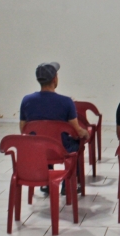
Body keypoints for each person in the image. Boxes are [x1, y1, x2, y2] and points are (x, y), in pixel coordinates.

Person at [19, 62, 89, 195]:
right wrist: (85, 134)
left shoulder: (26, 100)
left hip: (37, 150)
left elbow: (23, 130)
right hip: (61, 150)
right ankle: (68, 184)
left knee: (42, 139)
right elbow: (76, 131)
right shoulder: (66, 102)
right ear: (55, 78)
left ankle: (45, 183)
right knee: (78, 146)